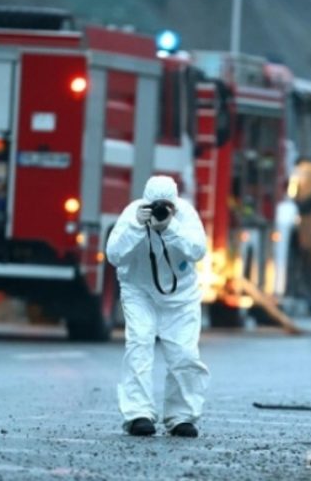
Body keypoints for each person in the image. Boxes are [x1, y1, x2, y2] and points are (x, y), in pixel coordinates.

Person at [106, 175, 209, 437]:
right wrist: (137, 227)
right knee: (139, 345)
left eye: (167, 206)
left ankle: (182, 416)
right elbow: (114, 255)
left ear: (175, 204)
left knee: (184, 354)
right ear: (145, 202)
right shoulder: (133, 215)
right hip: (139, 293)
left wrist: (169, 228)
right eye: (156, 205)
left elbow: (197, 250)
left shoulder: (186, 215)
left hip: (181, 297)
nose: (162, 211)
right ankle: (138, 413)